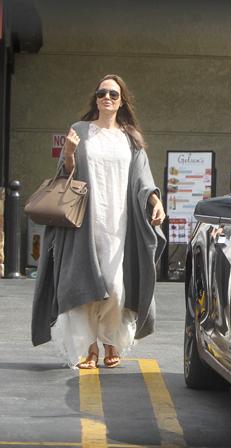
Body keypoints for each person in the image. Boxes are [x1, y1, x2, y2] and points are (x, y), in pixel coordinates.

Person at [31, 74, 166, 369]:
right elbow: (66, 175)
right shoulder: (80, 131)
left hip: (120, 224)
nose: (107, 98)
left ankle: (111, 341)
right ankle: (91, 347)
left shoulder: (130, 139)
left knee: (116, 287)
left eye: (113, 94)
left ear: (121, 102)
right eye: (102, 93)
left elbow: (143, 178)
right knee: (85, 286)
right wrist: (68, 153)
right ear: (96, 98)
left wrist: (155, 201)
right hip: (85, 224)